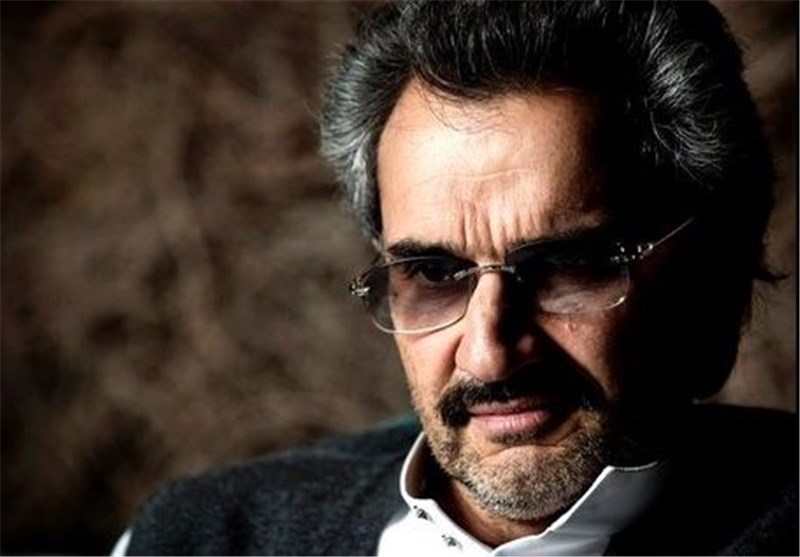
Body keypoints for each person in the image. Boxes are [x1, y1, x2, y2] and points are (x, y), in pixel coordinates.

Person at [118, 1, 797, 555]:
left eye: (565, 266)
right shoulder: (202, 536)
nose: (488, 354)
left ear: (716, 283)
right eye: (434, 272)